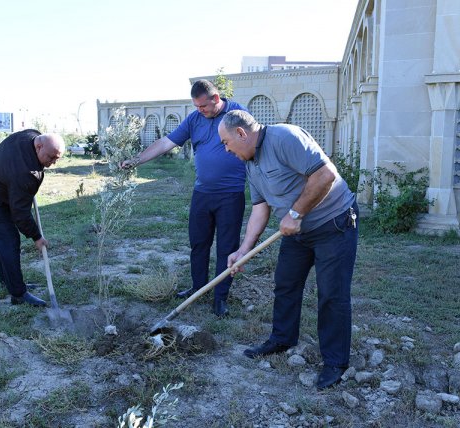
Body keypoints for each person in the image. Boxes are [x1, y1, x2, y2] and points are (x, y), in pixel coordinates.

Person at [218, 110, 358, 390]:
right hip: (297, 231)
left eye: (226, 142)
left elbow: (325, 175)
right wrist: (243, 250)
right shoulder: (250, 163)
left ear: (242, 134)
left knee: (332, 293)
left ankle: (335, 362)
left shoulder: (284, 137)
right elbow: (260, 209)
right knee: (285, 284)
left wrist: (295, 213)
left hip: (334, 224)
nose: (226, 149)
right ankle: (282, 338)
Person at [121, 79, 247, 316]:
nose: (200, 111)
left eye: (203, 106)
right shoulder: (195, 119)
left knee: (226, 248)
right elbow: (166, 143)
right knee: (198, 243)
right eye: (196, 106)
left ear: (216, 99)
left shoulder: (237, 113)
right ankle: (198, 288)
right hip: (202, 193)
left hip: (231, 194)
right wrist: (137, 160)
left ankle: (221, 297)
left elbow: (252, 141)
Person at [0, 129, 65, 307]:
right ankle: (18, 294)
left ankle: (9, 282)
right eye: (51, 157)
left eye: (56, 158)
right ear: (39, 146)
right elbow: (20, 214)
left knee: (3, 239)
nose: (53, 163)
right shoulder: (25, 173)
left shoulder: (31, 134)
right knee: (9, 239)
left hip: (0, 188)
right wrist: (36, 236)